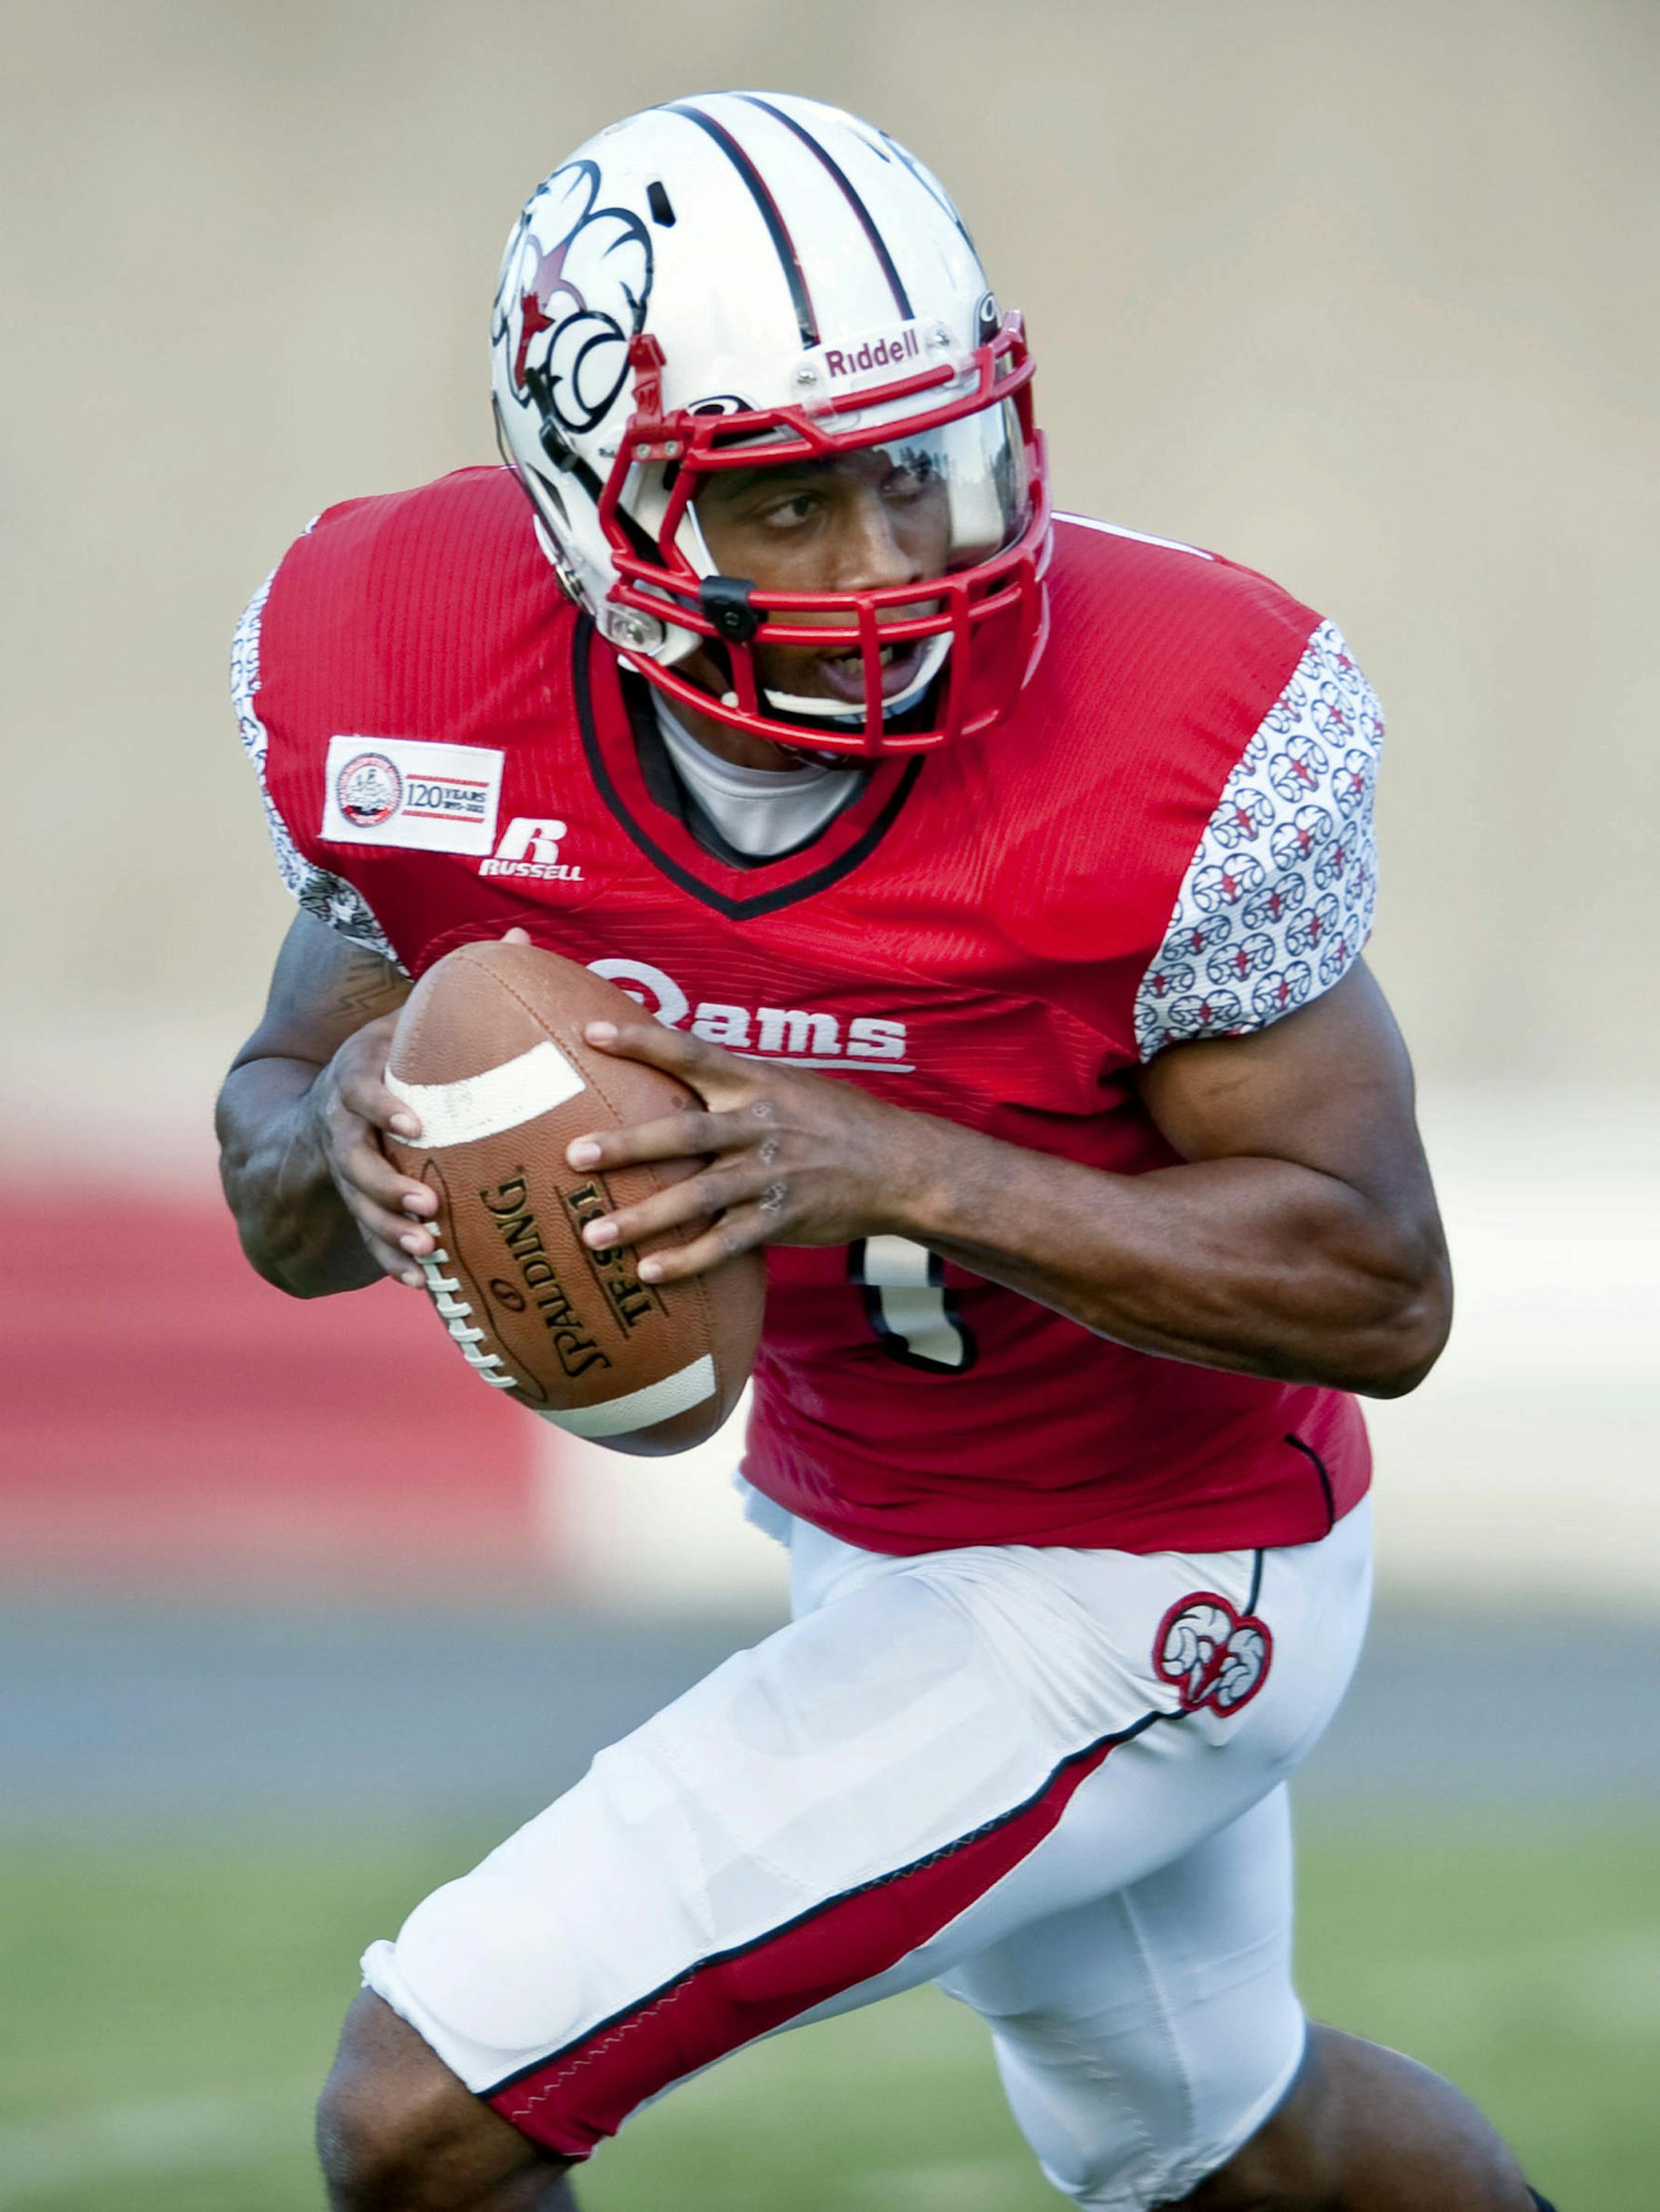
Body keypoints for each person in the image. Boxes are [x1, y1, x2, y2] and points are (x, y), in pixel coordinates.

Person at [215, 91, 1557, 2212]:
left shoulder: (1167, 732)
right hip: (859, 1516)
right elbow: (279, 1124)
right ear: (596, 503)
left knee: (419, 2113)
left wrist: (897, 1163)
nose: (891, 570)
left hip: (1153, 1568)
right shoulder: (418, 676)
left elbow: (1382, 1290)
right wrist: (348, 1150)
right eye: (792, 509)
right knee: (1227, 2148)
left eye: (925, 474)